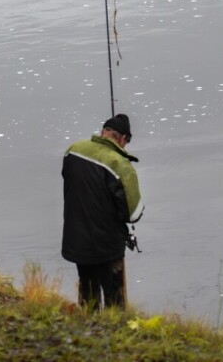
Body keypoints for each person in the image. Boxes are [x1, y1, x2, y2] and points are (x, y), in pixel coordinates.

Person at [61, 113, 144, 311]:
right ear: (123, 138)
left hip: (77, 240)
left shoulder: (73, 150)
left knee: (88, 291)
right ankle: (115, 334)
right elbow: (132, 214)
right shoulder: (120, 164)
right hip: (107, 246)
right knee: (114, 298)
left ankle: (89, 331)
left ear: (103, 132)